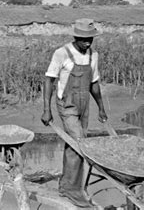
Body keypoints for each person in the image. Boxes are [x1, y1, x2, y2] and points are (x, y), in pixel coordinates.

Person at [41, 18, 108, 208]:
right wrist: (47, 109)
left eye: (91, 39)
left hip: (84, 104)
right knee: (79, 143)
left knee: (75, 144)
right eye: (84, 39)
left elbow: (94, 83)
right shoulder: (62, 53)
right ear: (76, 37)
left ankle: (68, 185)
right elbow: (49, 80)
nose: (88, 43)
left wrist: (101, 108)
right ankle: (72, 189)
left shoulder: (93, 55)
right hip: (66, 104)